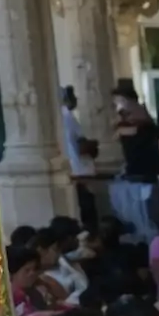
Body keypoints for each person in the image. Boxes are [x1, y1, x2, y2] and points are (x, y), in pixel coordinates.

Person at [112, 81, 159, 239]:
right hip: (134, 171)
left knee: (149, 216)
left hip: (145, 172)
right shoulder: (126, 119)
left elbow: (137, 131)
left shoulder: (141, 120)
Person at [60, 86, 98, 226]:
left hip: (72, 169)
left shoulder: (62, 117)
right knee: (86, 207)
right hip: (80, 169)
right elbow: (81, 143)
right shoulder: (68, 117)